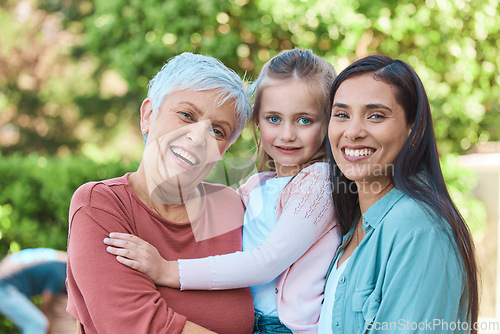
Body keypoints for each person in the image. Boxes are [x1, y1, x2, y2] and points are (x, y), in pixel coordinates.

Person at [104, 48, 341, 334]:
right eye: (274, 119)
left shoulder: (318, 183)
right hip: (253, 322)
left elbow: (266, 263)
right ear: (258, 123)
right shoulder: (257, 186)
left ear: (327, 123)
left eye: (304, 120)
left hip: (284, 327)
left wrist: (166, 270)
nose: (287, 134)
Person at [66, 52, 257, 334]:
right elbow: (143, 327)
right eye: (186, 115)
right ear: (148, 115)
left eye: (218, 131)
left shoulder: (231, 207)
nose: (197, 136)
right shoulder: (100, 205)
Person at [318, 55, 478, 333]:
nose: (353, 131)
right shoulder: (353, 224)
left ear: (413, 129)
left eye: (376, 115)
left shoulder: (419, 228)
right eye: (342, 114)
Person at [0, 248, 71, 334]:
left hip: (9, 270)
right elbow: (46, 304)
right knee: (37, 324)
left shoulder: (63, 263)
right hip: (4, 284)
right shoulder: (61, 274)